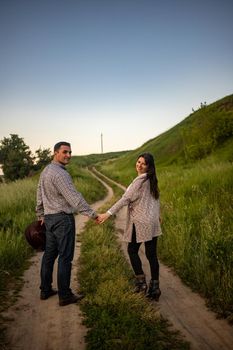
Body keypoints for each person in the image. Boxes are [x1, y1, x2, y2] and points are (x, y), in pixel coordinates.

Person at [36, 141, 98, 306]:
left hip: (49, 219)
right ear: (56, 153)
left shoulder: (45, 171)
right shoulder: (60, 174)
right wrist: (93, 214)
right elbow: (75, 198)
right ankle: (64, 295)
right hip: (63, 220)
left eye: (70, 152)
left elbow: (39, 195)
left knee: (49, 255)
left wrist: (41, 214)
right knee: (65, 257)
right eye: (65, 152)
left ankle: (45, 290)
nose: (68, 155)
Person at [98, 153, 162, 300]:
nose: (139, 165)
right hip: (152, 222)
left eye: (143, 164)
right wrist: (157, 216)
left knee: (132, 250)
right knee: (152, 255)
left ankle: (141, 284)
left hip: (140, 222)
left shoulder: (139, 180)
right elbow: (156, 200)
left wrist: (108, 213)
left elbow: (125, 199)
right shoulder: (152, 180)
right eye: (138, 162)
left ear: (149, 167)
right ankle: (155, 288)